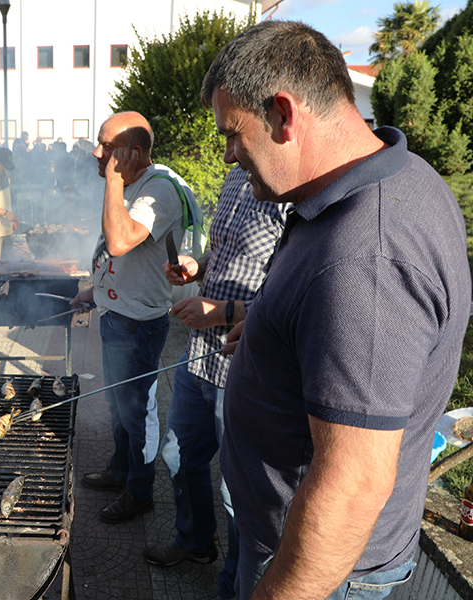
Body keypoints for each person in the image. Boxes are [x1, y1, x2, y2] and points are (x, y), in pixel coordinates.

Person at [201, 21, 471, 600]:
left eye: (233, 135)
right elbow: (350, 326)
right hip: (287, 542)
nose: (229, 156)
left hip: (318, 569)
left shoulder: (366, 257)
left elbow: (352, 484)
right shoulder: (387, 178)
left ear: (283, 113)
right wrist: (275, 322)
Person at [140, 165, 287, 600]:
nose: (226, 152)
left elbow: (289, 293)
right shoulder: (235, 178)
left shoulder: (291, 192)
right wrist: (195, 267)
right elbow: (224, 255)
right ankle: (195, 540)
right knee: (176, 454)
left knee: (235, 491)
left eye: (233, 135)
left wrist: (224, 312)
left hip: (243, 365)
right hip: (199, 357)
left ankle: (235, 585)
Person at [72, 111, 190, 524]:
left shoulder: (159, 190)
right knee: (118, 403)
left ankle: (139, 492)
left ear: (134, 153)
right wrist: (97, 290)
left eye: (106, 145)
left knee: (137, 409)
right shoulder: (140, 182)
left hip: (138, 324)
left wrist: (114, 179)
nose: (96, 151)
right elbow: (125, 257)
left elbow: (120, 241)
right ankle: (120, 469)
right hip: (117, 312)